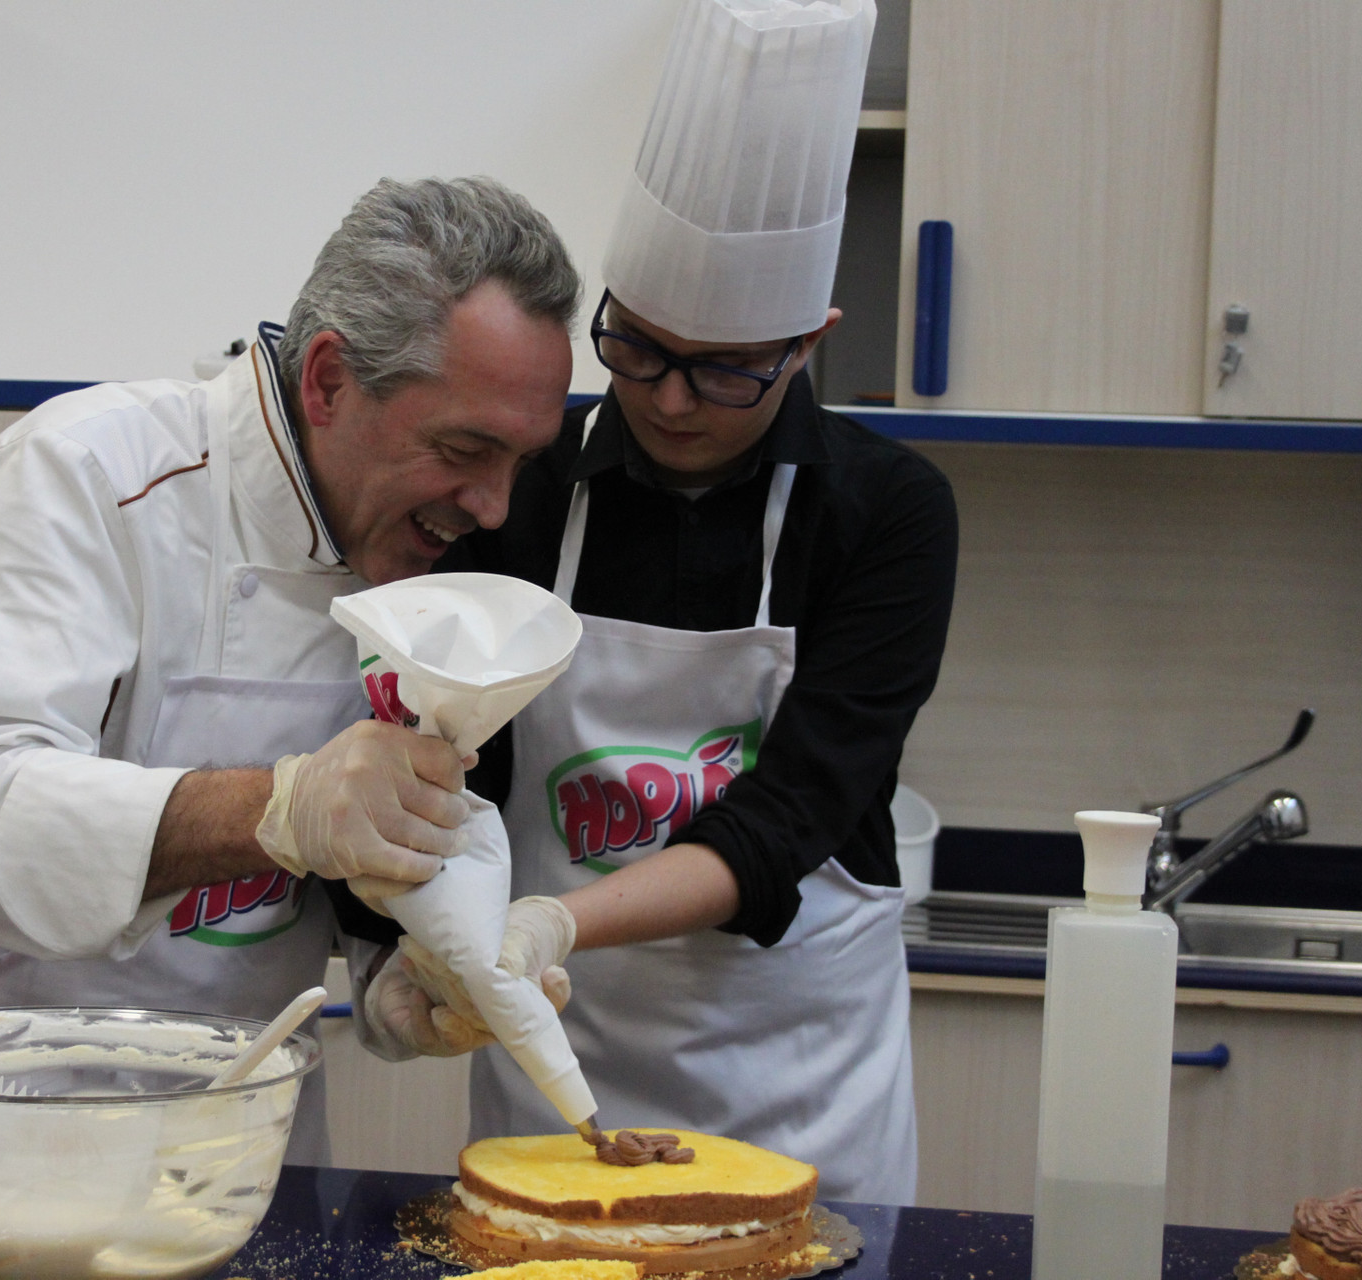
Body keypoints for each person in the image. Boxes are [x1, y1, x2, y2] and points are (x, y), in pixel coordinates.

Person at [0, 177, 580, 1204]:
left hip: (230, 1175)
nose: (492, 506)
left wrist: (413, 981)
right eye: (463, 450)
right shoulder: (87, 475)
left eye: (519, 463)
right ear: (327, 381)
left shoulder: (414, 570)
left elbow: (350, 880)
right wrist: (276, 809)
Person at [363, 0, 957, 1205]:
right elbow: (451, 768)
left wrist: (556, 926)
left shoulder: (887, 512)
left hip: (806, 1102)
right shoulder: (523, 488)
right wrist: (414, 944)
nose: (672, 400)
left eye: (726, 366)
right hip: (557, 1087)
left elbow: (791, 816)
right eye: (637, 348)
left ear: (808, 343)